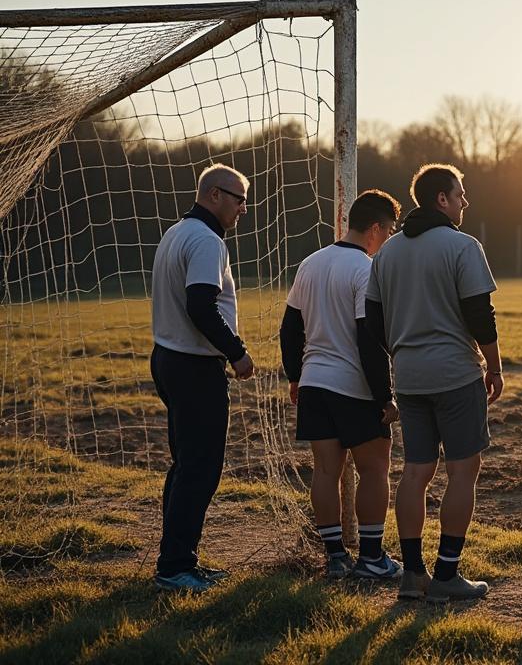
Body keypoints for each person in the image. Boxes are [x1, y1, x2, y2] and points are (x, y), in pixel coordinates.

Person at [365, 163, 502, 603]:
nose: (466, 201)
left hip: (408, 376)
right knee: (463, 471)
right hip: (455, 375)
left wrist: (401, 352)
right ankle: (446, 574)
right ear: (441, 199)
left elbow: (371, 318)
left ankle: (411, 576)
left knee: (416, 472)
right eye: (460, 193)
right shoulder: (463, 246)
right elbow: (481, 314)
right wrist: (494, 367)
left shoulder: (387, 252)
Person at [280, 189, 402, 580]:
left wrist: (296, 376)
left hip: (314, 382)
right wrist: (385, 397)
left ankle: (334, 558)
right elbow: (369, 339)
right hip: (352, 385)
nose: (387, 240)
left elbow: (289, 328)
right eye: (388, 232)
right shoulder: (365, 269)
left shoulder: (311, 263)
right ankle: (370, 558)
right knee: (375, 468)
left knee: (325, 471)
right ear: (374, 229)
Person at [149, 163, 254, 592]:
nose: (242, 210)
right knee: (200, 469)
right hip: (193, 367)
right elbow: (200, 306)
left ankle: (177, 559)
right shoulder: (207, 241)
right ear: (213, 195)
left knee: (185, 466)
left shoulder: (176, 232)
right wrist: (237, 352)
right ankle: (175, 568)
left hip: (168, 359)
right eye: (239, 199)